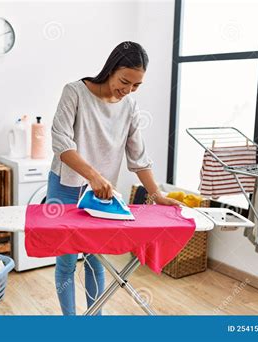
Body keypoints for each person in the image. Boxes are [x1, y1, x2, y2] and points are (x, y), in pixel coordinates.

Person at [47, 41, 180, 315]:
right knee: (67, 263)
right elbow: (61, 143)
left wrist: (157, 195)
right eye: (124, 81)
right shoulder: (74, 92)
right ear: (111, 69)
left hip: (100, 194)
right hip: (67, 185)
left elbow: (138, 157)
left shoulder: (129, 106)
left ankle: (94, 321)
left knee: (97, 260)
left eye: (136, 85)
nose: (128, 90)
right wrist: (94, 175)